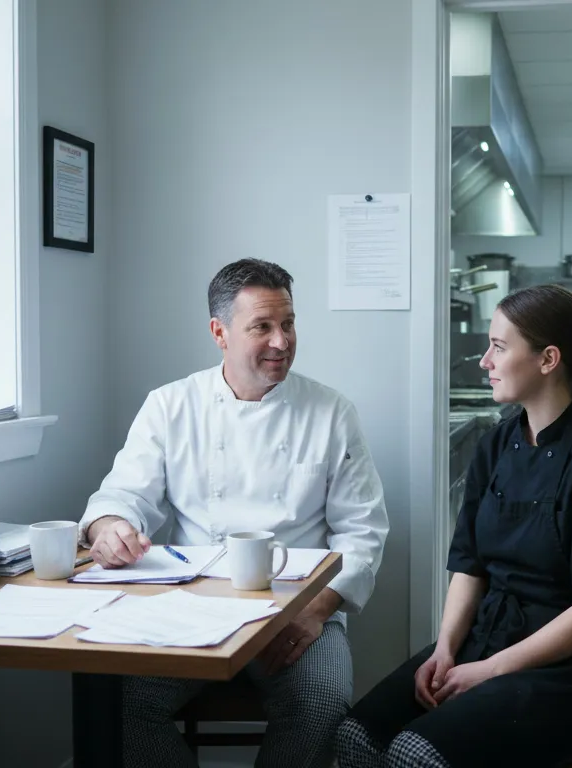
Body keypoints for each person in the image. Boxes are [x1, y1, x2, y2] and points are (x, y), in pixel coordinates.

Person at [78, 258, 389, 768]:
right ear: (219, 332)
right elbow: (124, 495)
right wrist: (109, 526)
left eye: (288, 324)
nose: (282, 341)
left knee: (320, 705)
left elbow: (362, 530)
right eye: (262, 327)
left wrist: (317, 611)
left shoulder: (331, 411)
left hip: (297, 606)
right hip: (192, 606)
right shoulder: (170, 405)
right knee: (123, 702)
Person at [336, 284, 572, 768]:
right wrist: (446, 649)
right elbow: (470, 564)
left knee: (413, 755)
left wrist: (488, 671)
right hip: (487, 642)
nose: (485, 360)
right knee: (355, 738)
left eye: (499, 348)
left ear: (548, 359)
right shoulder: (498, 443)